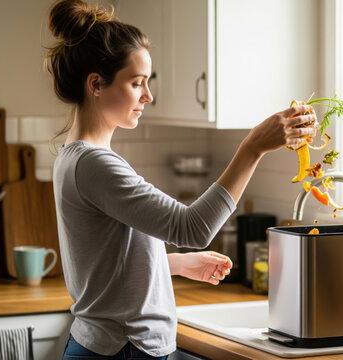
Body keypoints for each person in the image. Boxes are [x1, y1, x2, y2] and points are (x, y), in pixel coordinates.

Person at [44, 1, 317, 359]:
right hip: (124, 349)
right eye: (136, 83)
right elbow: (192, 228)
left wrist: (174, 264)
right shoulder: (95, 164)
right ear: (96, 84)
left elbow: (105, 263)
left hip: (109, 345)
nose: (148, 96)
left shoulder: (75, 156)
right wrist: (252, 147)